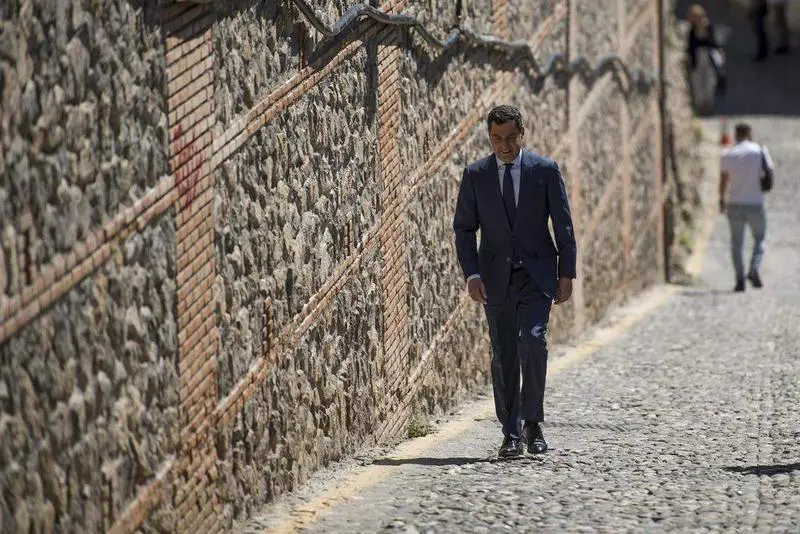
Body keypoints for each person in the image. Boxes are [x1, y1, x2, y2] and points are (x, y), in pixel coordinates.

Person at [452, 105, 577, 458]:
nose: (504, 146)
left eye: (510, 138)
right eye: (496, 139)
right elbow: (464, 229)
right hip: (495, 280)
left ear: (522, 133)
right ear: (489, 138)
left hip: (537, 276)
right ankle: (510, 433)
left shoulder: (545, 171)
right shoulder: (476, 175)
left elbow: (563, 226)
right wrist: (472, 274)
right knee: (503, 352)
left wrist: (566, 273)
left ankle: (532, 423)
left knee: (533, 342)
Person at [719, 123, 774, 292]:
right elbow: (770, 172)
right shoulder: (759, 151)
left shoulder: (728, 154)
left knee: (737, 244)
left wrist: (721, 199)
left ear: (736, 135)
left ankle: (739, 280)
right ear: (750, 134)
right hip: (755, 203)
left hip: (735, 203)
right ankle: (754, 267)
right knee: (760, 238)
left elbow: (723, 181)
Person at [686, 4, 727, 95]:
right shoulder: (693, 30)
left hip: (708, 53)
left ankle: (709, 100)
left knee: (711, 76)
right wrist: (690, 59)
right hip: (698, 55)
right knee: (698, 78)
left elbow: (713, 41)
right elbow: (691, 46)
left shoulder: (708, 27)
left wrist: (719, 50)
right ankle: (700, 100)